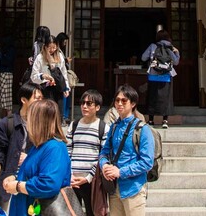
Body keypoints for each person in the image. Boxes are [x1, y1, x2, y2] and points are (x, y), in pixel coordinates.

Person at [2, 99, 74, 216]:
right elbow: (33, 173)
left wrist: (17, 186)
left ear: (38, 121)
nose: (26, 121)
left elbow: (49, 184)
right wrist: (15, 178)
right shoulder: (38, 147)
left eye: (29, 118)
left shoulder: (55, 148)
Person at [0, 81, 43, 213]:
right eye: (37, 98)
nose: (41, 102)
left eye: (42, 98)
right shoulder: (6, 124)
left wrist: (29, 158)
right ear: (24, 100)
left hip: (31, 185)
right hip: (7, 184)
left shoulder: (42, 126)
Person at [100, 85, 154, 216]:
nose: (119, 104)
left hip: (133, 188)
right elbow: (104, 152)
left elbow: (147, 162)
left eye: (124, 101)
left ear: (133, 103)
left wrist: (120, 172)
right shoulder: (113, 127)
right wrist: (104, 165)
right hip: (114, 188)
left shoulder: (142, 129)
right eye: (117, 100)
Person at [66, 89, 108, 216]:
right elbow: (67, 151)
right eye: (82, 103)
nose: (84, 106)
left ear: (97, 107)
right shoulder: (74, 125)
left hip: (92, 181)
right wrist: (70, 175)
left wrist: (88, 177)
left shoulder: (103, 127)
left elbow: (103, 155)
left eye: (89, 104)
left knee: (92, 213)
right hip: (72, 180)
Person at [140, 29, 180, 129]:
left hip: (153, 75)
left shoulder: (153, 46)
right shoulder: (170, 47)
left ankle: (151, 120)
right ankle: (165, 121)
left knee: (152, 98)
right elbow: (176, 62)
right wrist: (177, 53)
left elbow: (143, 58)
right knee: (166, 99)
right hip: (166, 76)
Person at [31, 35, 70, 118]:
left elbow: (64, 73)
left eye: (54, 47)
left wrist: (66, 87)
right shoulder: (40, 57)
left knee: (57, 114)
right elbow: (33, 76)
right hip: (45, 89)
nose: (52, 50)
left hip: (58, 88)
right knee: (46, 114)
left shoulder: (59, 57)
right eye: (49, 47)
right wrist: (42, 76)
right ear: (45, 46)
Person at [0, 38, 15, 120]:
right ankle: (3, 118)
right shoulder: (6, 49)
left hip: (6, 73)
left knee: (5, 97)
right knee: (2, 97)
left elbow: (7, 60)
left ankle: (7, 118)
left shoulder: (8, 50)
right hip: (4, 72)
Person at [56, 32, 72, 123]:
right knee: (63, 97)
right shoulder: (57, 51)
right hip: (60, 78)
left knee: (66, 97)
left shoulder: (61, 51)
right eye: (64, 42)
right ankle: (63, 116)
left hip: (63, 76)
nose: (65, 44)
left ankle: (65, 116)